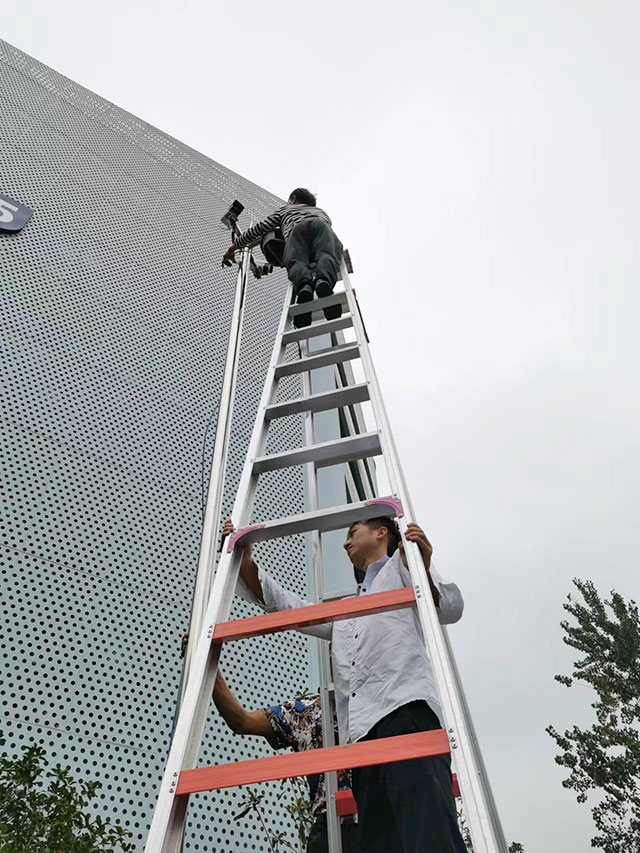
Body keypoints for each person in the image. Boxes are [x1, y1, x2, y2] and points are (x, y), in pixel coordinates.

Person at [233, 517, 467, 853]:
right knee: (380, 841)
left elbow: (451, 608)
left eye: (352, 532)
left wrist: (423, 568)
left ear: (381, 532)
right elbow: (291, 608)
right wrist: (247, 566)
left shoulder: (402, 567)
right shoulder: (346, 611)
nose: (345, 543)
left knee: (428, 832)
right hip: (360, 738)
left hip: (404, 712)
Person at [212, 670, 360, 853]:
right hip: (328, 825)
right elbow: (243, 721)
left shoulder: (382, 700)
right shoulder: (306, 710)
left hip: (380, 814)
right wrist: (210, 670)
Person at [222, 188, 344, 329]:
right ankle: (324, 281)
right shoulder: (323, 213)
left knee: (296, 262)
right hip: (321, 226)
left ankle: (304, 286)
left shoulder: (285, 210)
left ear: (292, 199)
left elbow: (260, 228)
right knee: (326, 254)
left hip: (296, 230)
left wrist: (233, 248)